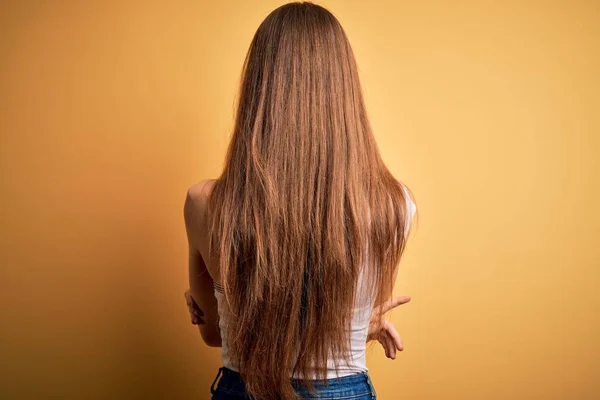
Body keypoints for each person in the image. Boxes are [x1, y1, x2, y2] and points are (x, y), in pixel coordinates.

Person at [183, 2, 416, 399]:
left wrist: (208, 306)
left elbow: (213, 333)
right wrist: (360, 325)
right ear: (345, 91)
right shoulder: (393, 207)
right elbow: (326, 325)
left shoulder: (205, 203)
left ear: (257, 89)